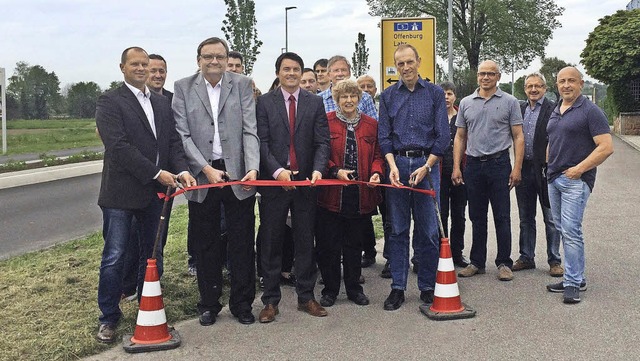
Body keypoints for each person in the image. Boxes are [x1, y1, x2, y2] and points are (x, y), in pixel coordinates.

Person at [95, 46, 196, 343]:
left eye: (145, 65)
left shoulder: (163, 104)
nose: (142, 69)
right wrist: (156, 173)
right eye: (135, 64)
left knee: (152, 255)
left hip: (155, 195)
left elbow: (173, 143)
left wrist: (182, 169)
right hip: (120, 195)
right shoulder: (110, 101)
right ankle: (109, 317)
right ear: (122, 67)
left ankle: (148, 308)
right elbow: (119, 147)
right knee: (115, 256)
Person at [172, 37, 260, 326]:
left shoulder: (242, 84)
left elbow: (250, 130)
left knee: (242, 241)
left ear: (226, 59)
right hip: (203, 176)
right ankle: (209, 303)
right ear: (198, 59)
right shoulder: (183, 88)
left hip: (239, 174)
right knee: (206, 242)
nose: (214, 62)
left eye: (219, 57)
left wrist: (253, 169)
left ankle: (242, 303)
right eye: (208, 57)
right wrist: (205, 168)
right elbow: (182, 135)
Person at [256, 52, 330, 323]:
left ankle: (306, 297)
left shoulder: (315, 102)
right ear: (278, 73)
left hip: (306, 184)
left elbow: (322, 142)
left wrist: (318, 170)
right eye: (286, 69)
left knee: (305, 243)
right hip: (275, 185)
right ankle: (270, 301)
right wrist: (278, 172)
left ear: (302, 73)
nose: (291, 73)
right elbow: (261, 142)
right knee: (272, 242)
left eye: (296, 69)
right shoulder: (264, 103)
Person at [378, 44, 449, 310]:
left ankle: (428, 286)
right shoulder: (386, 96)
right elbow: (383, 136)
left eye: (410, 62)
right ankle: (398, 287)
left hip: (426, 166)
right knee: (397, 229)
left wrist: (428, 165)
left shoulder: (435, 93)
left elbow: (443, 135)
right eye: (400, 64)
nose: (406, 68)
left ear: (419, 61)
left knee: (429, 230)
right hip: (397, 166)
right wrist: (391, 165)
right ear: (396, 67)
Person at [545, 66, 613, 304]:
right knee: (563, 229)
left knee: (572, 231)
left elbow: (606, 146)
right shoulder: (558, 108)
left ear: (581, 84)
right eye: (562, 81)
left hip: (575, 180)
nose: (566, 85)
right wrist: (549, 164)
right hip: (554, 178)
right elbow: (553, 139)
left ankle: (573, 283)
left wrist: (579, 169)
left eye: (571, 81)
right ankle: (575, 276)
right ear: (557, 85)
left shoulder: (590, 111)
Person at [453, 60, 524, 282]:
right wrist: (457, 166)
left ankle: (504, 262)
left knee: (502, 215)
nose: (486, 78)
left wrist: (517, 167)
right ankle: (477, 262)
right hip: (473, 166)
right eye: (482, 73)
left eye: (490, 74)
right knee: (477, 216)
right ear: (477, 76)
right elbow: (460, 137)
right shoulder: (466, 103)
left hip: (499, 164)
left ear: (498, 77)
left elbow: (518, 136)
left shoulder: (510, 102)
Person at [316, 79, 384, 308]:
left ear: (359, 99)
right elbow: (320, 153)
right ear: (336, 99)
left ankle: (354, 289)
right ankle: (330, 290)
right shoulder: (326, 122)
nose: (348, 100)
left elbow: (378, 155)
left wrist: (376, 174)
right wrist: (335, 171)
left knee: (354, 245)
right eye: (343, 97)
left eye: (352, 96)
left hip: (360, 195)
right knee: (329, 245)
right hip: (331, 196)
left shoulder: (371, 125)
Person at [121, 53, 177, 300]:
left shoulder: (170, 102)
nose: (157, 75)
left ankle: (152, 285)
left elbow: (174, 141)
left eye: (161, 71)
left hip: (164, 183)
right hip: (132, 183)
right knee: (129, 238)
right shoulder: (123, 101)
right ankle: (128, 285)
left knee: (156, 236)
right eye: (152, 70)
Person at [513, 72, 563, 277]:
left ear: (544, 88)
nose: (533, 90)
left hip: (545, 170)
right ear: (525, 89)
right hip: (523, 168)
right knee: (526, 217)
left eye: (538, 86)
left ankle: (554, 260)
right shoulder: (520, 109)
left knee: (550, 218)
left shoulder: (554, 109)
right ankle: (526, 257)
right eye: (529, 86)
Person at [438, 81, 469, 268]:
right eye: (443, 94)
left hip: (460, 174)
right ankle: (442, 252)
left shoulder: (461, 117)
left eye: (449, 94)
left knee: (459, 215)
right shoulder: (435, 118)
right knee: (441, 214)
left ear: (455, 96)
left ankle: (457, 253)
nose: (446, 98)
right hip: (440, 173)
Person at [318, 55, 378, 120]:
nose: (340, 74)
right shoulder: (319, 99)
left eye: (343, 70)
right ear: (329, 75)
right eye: (336, 70)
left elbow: (374, 125)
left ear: (349, 73)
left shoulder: (365, 98)